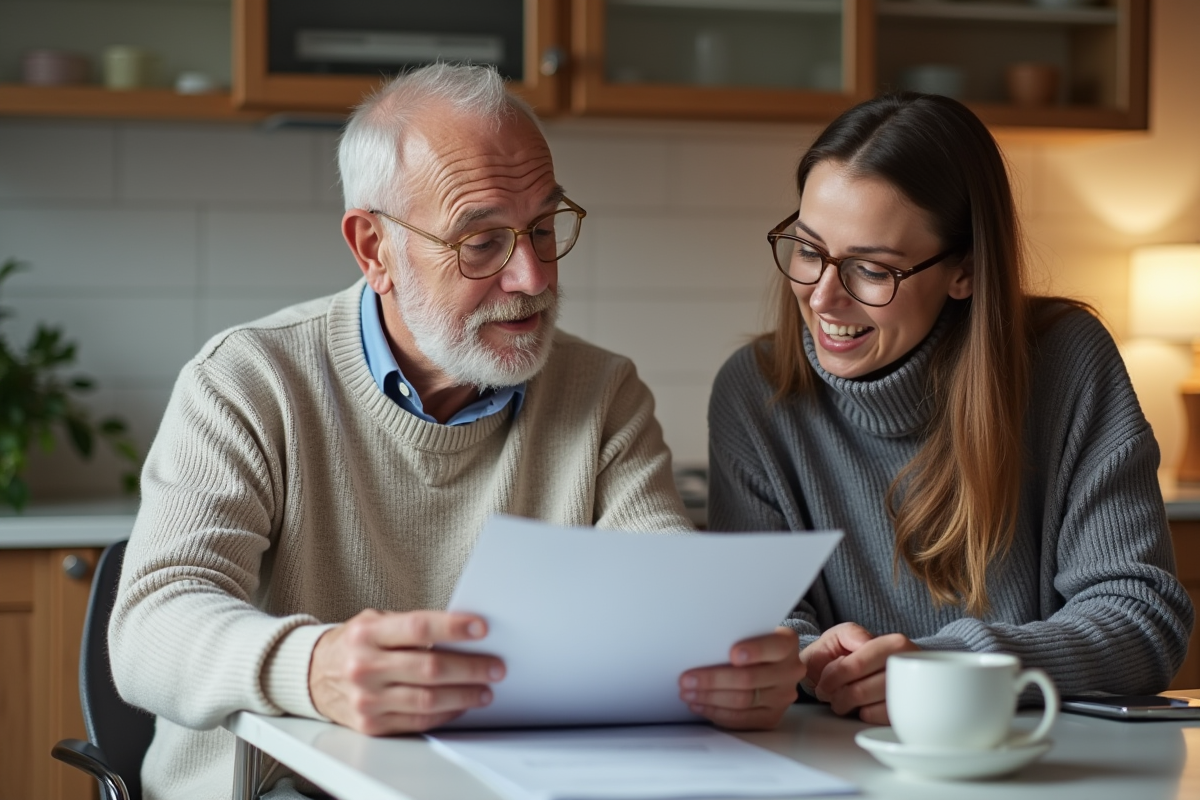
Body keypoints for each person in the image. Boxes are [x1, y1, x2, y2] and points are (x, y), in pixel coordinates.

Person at [109, 64, 803, 800]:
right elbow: (151, 627)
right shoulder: (248, 380)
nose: (533, 277)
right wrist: (314, 667)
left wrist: (723, 660)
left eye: (543, 229)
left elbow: (662, 591)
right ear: (374, 249)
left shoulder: (602, 393)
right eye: (481, 242)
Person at [708, 91, 1193, 726]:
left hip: (1032, 760)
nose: (823, 297)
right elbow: (755, 618)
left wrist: (945, 668)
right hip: (831, 753)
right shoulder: (752, 390)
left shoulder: (1067, 361)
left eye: (870, 269)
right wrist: (807, 657)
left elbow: (1142, 619)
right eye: (807, 249)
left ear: (963, 270)